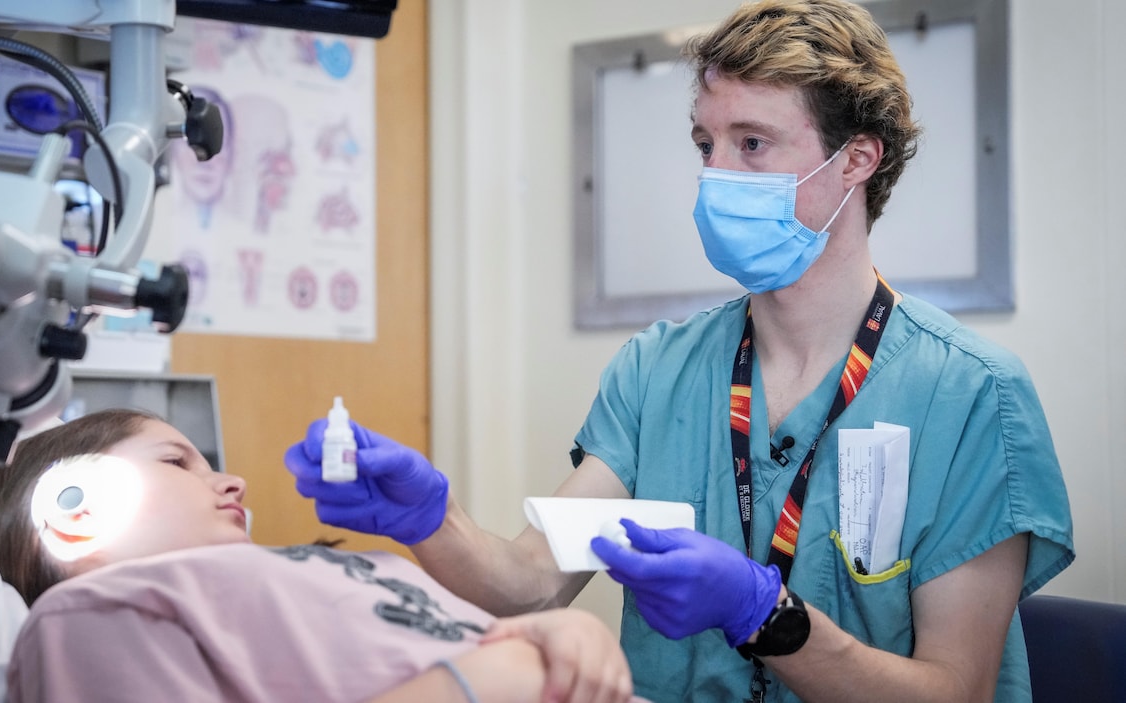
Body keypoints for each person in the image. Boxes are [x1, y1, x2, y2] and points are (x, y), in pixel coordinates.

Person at [285, 1, 1075, 701]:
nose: (716, 175)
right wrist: (433, 520)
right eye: (706, 143)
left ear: (857, 161)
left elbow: (954, 692)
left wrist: (764, 617)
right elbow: (531, 587)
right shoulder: (659, 370)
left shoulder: (971, 394)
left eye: (753, 143)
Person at [0, 409, 641, 703]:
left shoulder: (299, 575)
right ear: (74, 508)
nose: (232, 482)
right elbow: (483, 668)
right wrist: (480, 685)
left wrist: (563, 630)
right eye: (178, 461)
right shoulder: (88, 617)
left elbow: (493, 628)